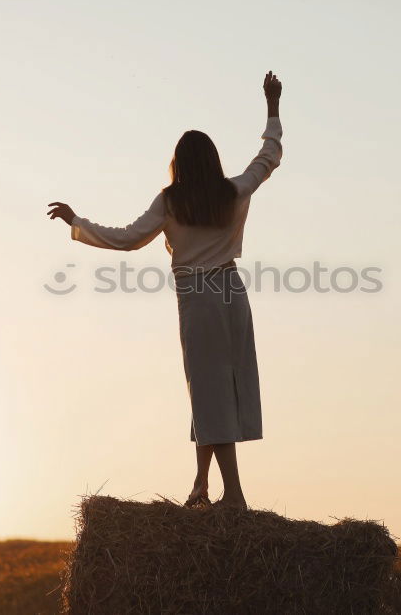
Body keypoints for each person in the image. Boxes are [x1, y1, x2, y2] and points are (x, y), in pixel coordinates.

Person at [48, 71, 284, 511]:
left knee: (207, 391)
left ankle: (233, 495)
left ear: (178, 161)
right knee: (221, 388)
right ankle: (201, 484)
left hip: (197, 297)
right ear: (212, 160)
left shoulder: (171, 201)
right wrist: (272, 105)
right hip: (232, 292)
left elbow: (128, 238)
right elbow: (268, 157)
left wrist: (77, 223)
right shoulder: (232, 191)